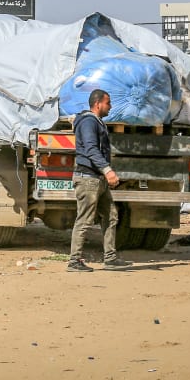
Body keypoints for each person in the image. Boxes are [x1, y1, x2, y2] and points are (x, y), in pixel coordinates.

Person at [67, 89, 132, 272]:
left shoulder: (96, 122)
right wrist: (107, 170)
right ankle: (74, 261)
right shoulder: (88, 122)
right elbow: (91, 149)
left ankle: (110, 258)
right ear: (97, 104)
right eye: (108, 103)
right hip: (88, 178)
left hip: (98, 179)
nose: (110, 106)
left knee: (111, 216)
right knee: (85, 220)